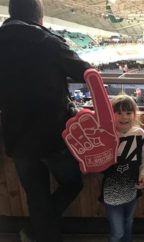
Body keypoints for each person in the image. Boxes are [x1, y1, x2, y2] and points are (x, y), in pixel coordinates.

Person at [0, 0, 91, 241]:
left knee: (36, 196)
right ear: (40, 17)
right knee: (73, 183)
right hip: (54, 134)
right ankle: (32, 231)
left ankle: (40, 233)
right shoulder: (48, 42)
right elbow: (86, 71)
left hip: (16, 135)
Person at [101, 94, 144, 242]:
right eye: (119, 113)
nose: (124, 117)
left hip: (132, 187)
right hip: (111, 190)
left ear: (134, 114)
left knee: (128, 222)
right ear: (112, 114)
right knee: (117, 232)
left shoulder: (140, 134)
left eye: (128, 113)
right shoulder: (106, 134)